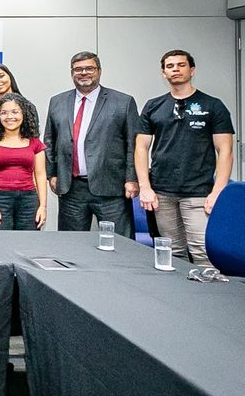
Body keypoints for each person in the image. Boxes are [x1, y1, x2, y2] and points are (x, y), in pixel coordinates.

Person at [136, 49, 235, 266]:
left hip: (198, 193)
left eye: (181, 65)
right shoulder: (154, 106)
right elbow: (141, 147)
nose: (175, 70)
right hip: (162, 193)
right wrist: (145, 187)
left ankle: (210, 297)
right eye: (170, 66)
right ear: (163, 73)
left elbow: (225, 150)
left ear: (192, 70)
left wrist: (218, 191)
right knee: (172, 253)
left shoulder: (213, 106)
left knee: (203, 252)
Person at [44, 51, 141, 238]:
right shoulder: (57, 101)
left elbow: (133, 145)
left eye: (89, 68)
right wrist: (52, 174)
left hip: (111, 189)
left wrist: (132, 178)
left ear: (99, 71)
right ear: (72, 73)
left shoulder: (123, 102)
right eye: (78, 69)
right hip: (71, 189)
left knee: (119, 244)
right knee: (71, 246)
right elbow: (49, 140)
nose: (84, 73)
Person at [0, 94, 47, 230]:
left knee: (27, 245)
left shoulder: (35, 142)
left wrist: (42, 207)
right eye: (4, 112)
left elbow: (40, 175)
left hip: (28, 200)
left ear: (23, 114)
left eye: (15, 112)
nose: (10, 117)